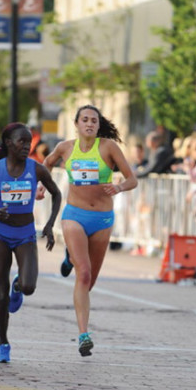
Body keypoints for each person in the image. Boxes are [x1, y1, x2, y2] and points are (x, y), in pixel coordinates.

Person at [40, 104, 138, 357]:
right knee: (83, 274)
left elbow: (132, 179)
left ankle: (70, 257)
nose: (90, 123)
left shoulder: (108, 147)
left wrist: (119, 188)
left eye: (94, 120)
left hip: (102, 219)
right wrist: (42, 186)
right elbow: (46, 164)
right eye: (85, 119)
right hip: (75, 215)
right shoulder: (65, 148)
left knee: (90, 281)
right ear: (76, 124)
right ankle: (84, 335)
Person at [0, 123, 62, 363]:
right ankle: (3, 344)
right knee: (1, 297)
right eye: (22, 141)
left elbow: (57, 193)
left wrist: (51, 225)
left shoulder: (37, 169)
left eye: (29, 142)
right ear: (9, 143)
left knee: (29, 286)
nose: (26, 146)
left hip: (25, 235)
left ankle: (19, 286)